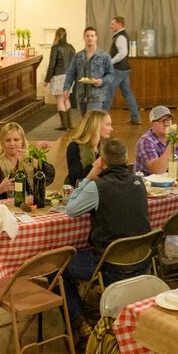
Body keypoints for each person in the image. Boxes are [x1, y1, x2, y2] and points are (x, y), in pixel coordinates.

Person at [64, 136, 154, 319]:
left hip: (110, 267)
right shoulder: (139, 184)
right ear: (126, 158)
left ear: (102, 162)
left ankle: (78, 321)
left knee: (59, 265)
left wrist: (89, 177)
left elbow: (70, 209)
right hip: (143, 262)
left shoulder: (98, 187)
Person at [0, 122, 55, 206]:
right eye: (8, 140)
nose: (12, 144)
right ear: (2, 143)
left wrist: (30, 159)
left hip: (32, 207)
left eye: (16, 140)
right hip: (6, 212)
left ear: (22, 141)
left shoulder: (31, 159)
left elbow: (50, 175)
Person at [61, 110, 113, 189]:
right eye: (108, 125)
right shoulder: (74, 147)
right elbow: (76, 179)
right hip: (81, 193)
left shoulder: (105, 147)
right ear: (96, 126)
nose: (111, 129)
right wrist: (96, 165)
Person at [67, 27, 113, 113]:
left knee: (92, 122)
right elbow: (71, 73)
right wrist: (66, 87)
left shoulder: (104, 56)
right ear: (84, 38)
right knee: (84, 121)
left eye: (92, 36)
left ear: (96, 37)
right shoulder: (78, 56)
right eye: (87, 36)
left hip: (96, 95)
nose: (90, 38)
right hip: (81, 95)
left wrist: (102, 81)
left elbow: (111, 74)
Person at [108, 16, 143, 123]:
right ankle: (135, 118)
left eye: (113, 24)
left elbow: (122, 53)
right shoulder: (120, 36)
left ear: (119, 24)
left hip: (119, 70)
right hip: (124, 69)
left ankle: (100, 119)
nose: (111, 26)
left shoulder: (120, 37)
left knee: (108, 92)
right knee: (127, 94)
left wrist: (110, 62)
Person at [44, 28, 77, 130]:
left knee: (59, 99)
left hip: (59, 76)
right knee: (66, 98)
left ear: (57, 35)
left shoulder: (55, 48)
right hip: (70, 76)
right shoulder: (71, 47)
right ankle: (70, 124)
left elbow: (52, 65)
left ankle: (64, 125)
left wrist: (47, 79)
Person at [134, 106, 174, 176]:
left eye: (168, 119)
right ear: (152, 124)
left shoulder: (173, 136)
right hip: (148, 184)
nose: (166, 123)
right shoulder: (146, 141)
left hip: (169, 181)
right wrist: (173, 144)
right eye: (161, 120)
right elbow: (157, 171)